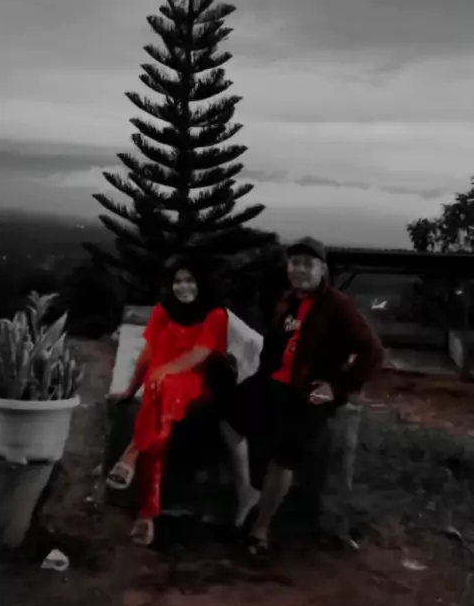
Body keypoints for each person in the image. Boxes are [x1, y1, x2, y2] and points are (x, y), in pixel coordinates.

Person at [223, 236, 384, 559]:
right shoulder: (287, 301)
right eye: (295, 263)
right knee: (224, 414)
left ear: (322, 269)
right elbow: (275, 346)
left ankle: (260, 530)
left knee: (284, 455)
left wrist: (337, 388)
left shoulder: (338, 305)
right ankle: (246, 491)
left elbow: (373, 352)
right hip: (272, 384)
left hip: (307, 393)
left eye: (308, 264)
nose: (300, 269)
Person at [106, 257, 230, 546]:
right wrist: (130, 390)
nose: (183, 287)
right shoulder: (164, 310)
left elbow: (200, 354)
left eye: (190, 280)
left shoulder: (215, 314)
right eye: (177, 281)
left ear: (202, 283)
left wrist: (165, 371)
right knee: (158, 436)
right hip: (157, 387)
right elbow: (147, 354)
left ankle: (130, 456)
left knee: (161, 387)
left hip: (192, 382)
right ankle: (146, 515)